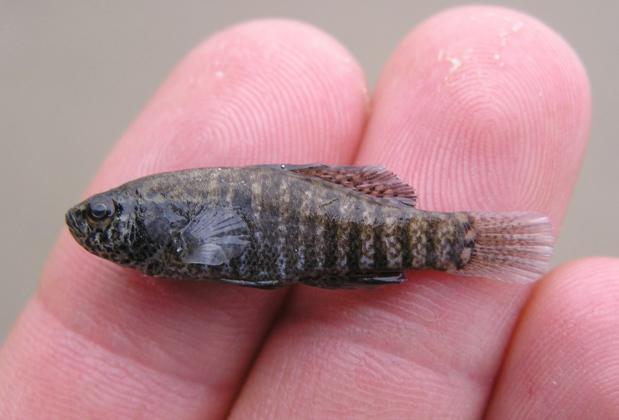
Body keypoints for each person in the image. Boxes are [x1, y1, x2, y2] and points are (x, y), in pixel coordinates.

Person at [1, 6, 616, 419]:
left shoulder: (177, 223)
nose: (90, 223)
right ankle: (460, 244)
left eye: (105, 215)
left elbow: (218, 245)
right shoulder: (169, 226)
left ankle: (467, 243)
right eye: (100, 216)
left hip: (321, 221)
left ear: (144, 211)